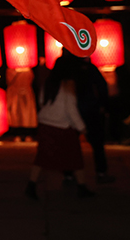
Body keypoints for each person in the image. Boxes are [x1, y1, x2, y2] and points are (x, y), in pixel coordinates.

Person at [25, 52, 94, 200]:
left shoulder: (48, 83)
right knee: (75, 157)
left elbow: (42, 102)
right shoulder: (68, 84)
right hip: (62, 126)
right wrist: (82, 127)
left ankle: (31, 185)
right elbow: (71, 109)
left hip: (46, 124)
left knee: (42, 157)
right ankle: (82, 187)